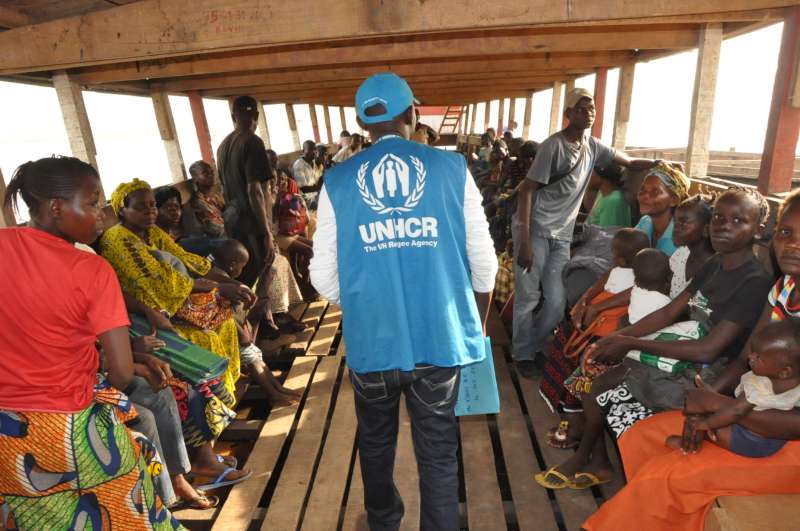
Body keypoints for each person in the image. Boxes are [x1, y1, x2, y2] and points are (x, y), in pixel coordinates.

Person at [310, 73, 497, 530]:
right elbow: (485, 263)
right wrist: (476, 321)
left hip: (372, 346)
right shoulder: (452, 169)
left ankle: (383, 519)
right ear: (412, 113)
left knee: (375, 440)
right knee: (437, 449)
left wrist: (365, 304)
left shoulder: (336, 181)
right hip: (438, 340)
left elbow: (322, 277)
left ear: (361, 122)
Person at [581, 188, 800, 531]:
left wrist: (720, 410)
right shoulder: (784, 288)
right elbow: (747, 356)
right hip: (751, 407)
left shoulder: (756, 281)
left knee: (668, 473)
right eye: (787, 233)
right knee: (644, 436)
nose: (793, 244)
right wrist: (710, 399)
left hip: (777, 435)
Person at [539, 188, 773, 490]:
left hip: (705, 373)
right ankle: (594, 459)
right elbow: (667, 313)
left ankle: (630, 479)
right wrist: (616, 338)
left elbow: (709, 349)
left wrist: (632, 343)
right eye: (718, 218)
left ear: (759, 230)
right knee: (592, 379)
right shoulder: (716, 264)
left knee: (612, 394)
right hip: (680, 349)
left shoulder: (754, 281)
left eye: (738, 220)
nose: (723, 226)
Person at [0, 156, 182, 529]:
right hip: (70, 428)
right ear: (56, 208)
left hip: (9, 435)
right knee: (135, 513)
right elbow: (118, 373)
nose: (103, 213)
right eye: (93, 203)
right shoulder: (93, 270)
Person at [99, 179, 253, 490]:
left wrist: (224, 280)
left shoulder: (151, 233)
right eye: (140, 207)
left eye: (151, 205)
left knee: (221, 329)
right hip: (141, 323)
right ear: (122, 210)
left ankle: (208, 448)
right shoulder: (117, 241)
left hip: (164, 315)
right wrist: (217, 287)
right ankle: (202, 460)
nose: (150, 212)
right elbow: (158, 286)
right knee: (196, 371)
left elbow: (190, 263)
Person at [512, 87, 657, 377]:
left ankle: (537, 345)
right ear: (568, 115)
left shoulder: (593, 146)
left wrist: (655, 165)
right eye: (581, 108)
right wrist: (525, 242)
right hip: (535, 229)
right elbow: (527, 190)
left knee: (556, 301)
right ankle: (523, 354)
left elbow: (628, 162)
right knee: (528, 297)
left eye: (591, 108)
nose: (588, 113)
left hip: (562, 235)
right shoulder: (553, 146)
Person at [540, 228, 651, 445]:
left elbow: (627, 297)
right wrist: (583, 303)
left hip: (603, 338)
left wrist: (597, 307)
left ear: (618, 256)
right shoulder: (615, 270)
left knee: (580, 368)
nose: (611, 256)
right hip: (591, 330)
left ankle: (577, 423)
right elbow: (595, 288)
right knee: (563, 342)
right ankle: (569, 412)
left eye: (614, 252)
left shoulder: (639, 279)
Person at [664, 319, 800, 457]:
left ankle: (688, 444)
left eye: (758, 357)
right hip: (774, 440)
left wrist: (706, 424)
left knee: (701, 421)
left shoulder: (760, 385)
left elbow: (736, 411)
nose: (750, 357)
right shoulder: (792, 379)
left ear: (784, 371)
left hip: (748, 441)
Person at [216, 95, 276, 294]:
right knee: (263, 270)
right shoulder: (253, 141)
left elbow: (224, 188)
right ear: (257, 115)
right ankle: (263, 320)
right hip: (253, 221)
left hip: (234, 221)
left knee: (245, 274)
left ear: (233, 116)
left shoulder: (222, 146)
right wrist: (266, 231)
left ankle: (260, 320)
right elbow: (255, 191)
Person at [634, 162, 691, 256]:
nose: (644, 196)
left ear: (674, 200)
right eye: (642, 189)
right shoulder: (645, 222)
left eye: (655, 191)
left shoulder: (681, 238)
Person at [585, 163, 632, 228]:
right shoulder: (602, 193)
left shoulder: (613, 201)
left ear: (603, 177)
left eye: (590, 172)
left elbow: (606, 235)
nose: (586, 176)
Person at [293, 140, 324, 208]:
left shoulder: (314, 163)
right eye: (310, 150)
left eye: (314, 149)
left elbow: (319, 180)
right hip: (308, 200)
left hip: (317, 195)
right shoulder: (298, 165)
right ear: (303, 151)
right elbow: (304, 189)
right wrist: (318, 187)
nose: (313, 152)